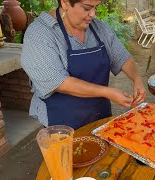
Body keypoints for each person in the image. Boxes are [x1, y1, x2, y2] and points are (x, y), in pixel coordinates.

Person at [21, 0, 146, 130]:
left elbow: (122, 57)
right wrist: (107, 92)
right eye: (87, 8)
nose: (93, 14)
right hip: (61, 122)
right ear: (65, 3)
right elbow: (59, 83)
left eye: (95, 7)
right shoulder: (40, 34)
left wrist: (136, 79)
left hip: (100, 115)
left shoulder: (98, 28)